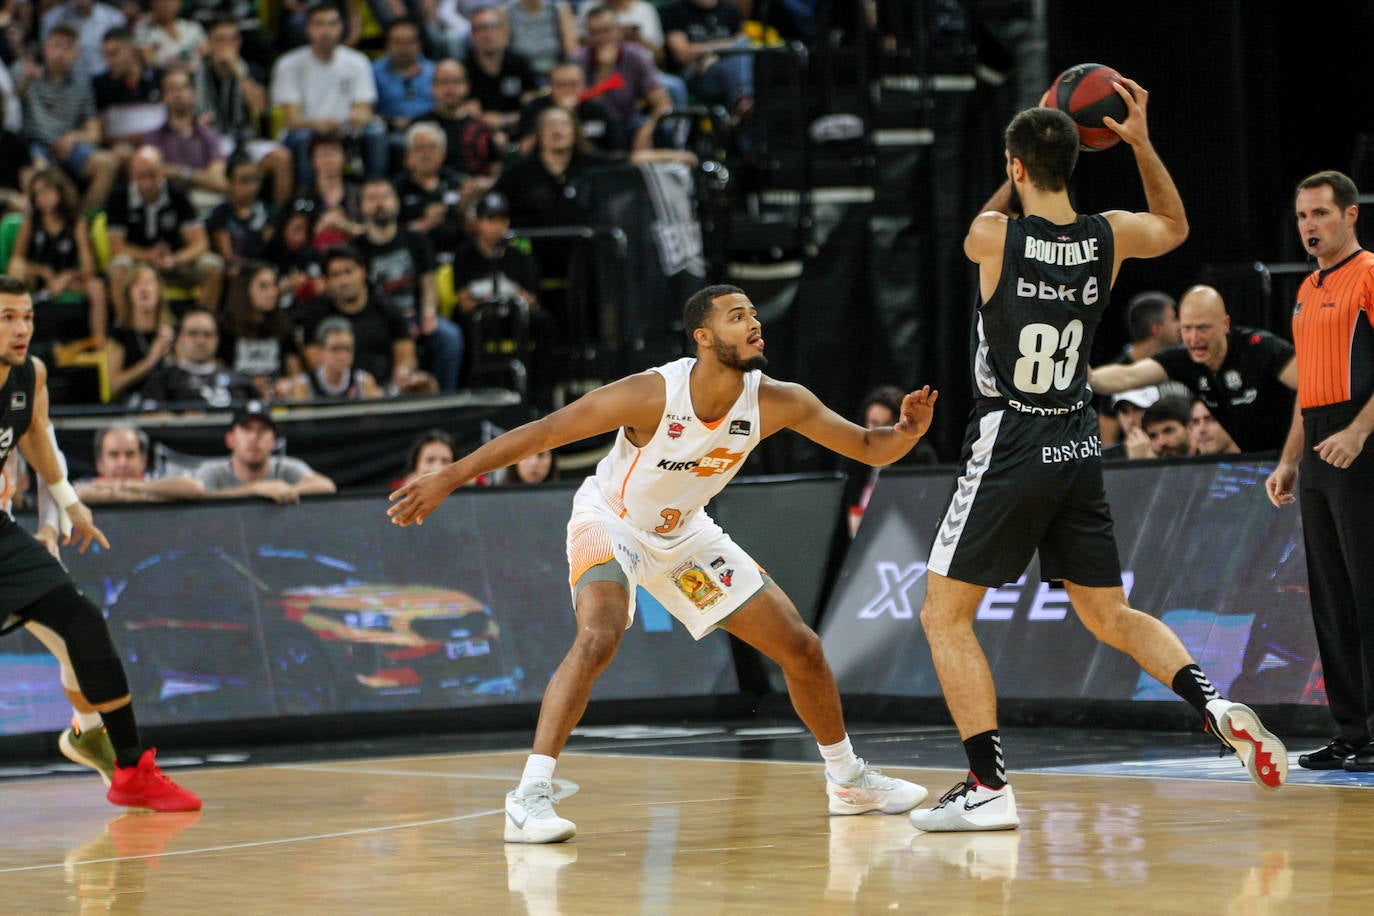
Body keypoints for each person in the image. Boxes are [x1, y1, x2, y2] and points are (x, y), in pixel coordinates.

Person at [389, 284, 938, 844]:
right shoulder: (652, 394)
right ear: (703, 338)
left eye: (753, 314)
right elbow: (543, 433)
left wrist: (906, 434)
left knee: (801, 647)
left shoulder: (778, 399)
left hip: (685, 537)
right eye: (736, 316)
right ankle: (529, 794)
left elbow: (870, 448)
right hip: (611, 520)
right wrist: (451, 476)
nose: (753, 324)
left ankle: (848, 780)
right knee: (599, 636)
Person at [908, 93, 1286, 834]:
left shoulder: (994, 238)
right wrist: (1141, 142)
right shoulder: (1107, 236)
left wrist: (1016, 173)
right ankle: (1211, 701)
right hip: (1078, 440)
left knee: (943, 615)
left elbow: (979, 228)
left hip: (1012, 438)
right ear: (1081, 160)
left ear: (1016, 167)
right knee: (1107, 610)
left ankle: (988, 785)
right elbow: (1175, 225)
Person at [0, 275, 201, 811]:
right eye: (7, 318)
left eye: (27, 317)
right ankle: (88, 732)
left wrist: (66, 505)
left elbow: (37, 435)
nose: (21, 329)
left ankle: (131, 768)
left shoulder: (29, 374)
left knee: (81, 622)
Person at [1266, 170, 1374, 773]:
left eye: (1321, 215)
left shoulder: (1370, 274)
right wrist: (1288, 459)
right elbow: (1308, 386)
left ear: (1350, 215)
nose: (1310, 226)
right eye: (1303, 216)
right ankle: (1352, 733)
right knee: (1331, 597)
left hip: (1363, 444)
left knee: (1367, 592)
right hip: (1319, 448)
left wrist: (1359, 432)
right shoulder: (1306, 289)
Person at [1088, 285, 1298, 453]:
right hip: (1254, 465)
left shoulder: (1259, 348)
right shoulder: (1183, 359)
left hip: (1300, 458)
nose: (1194, 339)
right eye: (1187, 329)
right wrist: (1088, 376)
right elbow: (1128, 376)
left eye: (1203, 328)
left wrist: (1290, 458)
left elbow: (1313, 386)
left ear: (1225, 324)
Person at [352, 177, 465, 391]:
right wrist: (399, 324)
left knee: (450, 337)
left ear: (396, 202)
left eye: (385, 196)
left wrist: (429, 312)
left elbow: (428, 283)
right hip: (378, 319)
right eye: (372, 198)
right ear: (361, 207)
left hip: (415, 314)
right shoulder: (357, 248)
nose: (379, 203)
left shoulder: (416, 240)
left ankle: (444, 397)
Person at [271, 1, 386, 186]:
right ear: (307, 28)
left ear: (341, 27)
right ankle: (307, 198)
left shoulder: (358, 61)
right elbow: (292, 120)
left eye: (332, 24)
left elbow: (364, 109)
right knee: (302, 138)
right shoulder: (288, 64)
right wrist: (319, 124)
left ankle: (373, 193)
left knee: (375, 132)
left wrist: (355, 118)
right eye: (319, 24)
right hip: (306, 132)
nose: (326, 31)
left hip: (345, 131)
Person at [105, 146, 225, 318]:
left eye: (152, 175)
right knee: (118, 267)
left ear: (162, 172)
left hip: (174, 263)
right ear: (131, 174)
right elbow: (117, 248)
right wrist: (148, 256)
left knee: (214, 266)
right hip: (138, 264)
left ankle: (200, 324)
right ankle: (127, 327)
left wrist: (175, 259)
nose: (147, 183)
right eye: (141, 176)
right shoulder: (118, 197)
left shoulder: (178, 195)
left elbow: (201, 244)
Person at [21, 23, 121, 212]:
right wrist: (24, 83)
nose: (61, 53)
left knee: (108, 163)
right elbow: (10, 107)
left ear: (77, 54)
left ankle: (84, 220)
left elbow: (95, 133)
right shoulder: (29, 76)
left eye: (68, 48)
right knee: (41, 174)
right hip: (37, 146)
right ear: (45, 49)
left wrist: (73, 138)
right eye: (56, 46)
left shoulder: (82, 87)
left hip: (69, 146)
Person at [8, 167, 108, 344]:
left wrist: (67, 276)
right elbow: (17, 260)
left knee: (96, 287)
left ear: (60, 190)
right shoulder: (30, 223)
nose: (42, 198)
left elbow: (88, 270)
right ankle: (12, 335)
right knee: (17, 268)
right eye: (37, 194)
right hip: (37, 279)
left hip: (69, 280)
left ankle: (98, 345)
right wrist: (41, 271)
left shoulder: (77, 223)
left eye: (47, 190)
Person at [842, 384, 938, 536]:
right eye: (873, 423)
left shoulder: (920, 457)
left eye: (887, 424)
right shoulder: (854, 460)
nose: (878, 431)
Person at [196, 402, 337, 502]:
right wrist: (255, 490)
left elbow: (326, 486)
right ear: (230, 439)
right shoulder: (212, 470)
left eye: (262, 430)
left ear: (273, 441)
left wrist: (286, 492)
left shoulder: (286, 468)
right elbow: (197, 496)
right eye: (247, 429)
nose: (254, 437)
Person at [134, 306, 258, 408]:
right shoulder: (162, 380)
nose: (200, 341)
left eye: (207, 334)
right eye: (193, 334)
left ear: (217, 339)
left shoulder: (239, 380)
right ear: (180, 337)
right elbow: (151, 420)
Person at [217, 262, 303, 399]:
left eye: (274, 285)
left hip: (276, 395)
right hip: (236, 396)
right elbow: (217, 372)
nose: (272, 292)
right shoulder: (226, 326)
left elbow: (295, 372)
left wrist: (289, 384)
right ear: (244, 289)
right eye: (263, 286)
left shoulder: (284, 324)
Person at [74, 423, 206, 503]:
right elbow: (76, 495)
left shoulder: (155, 482)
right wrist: (141, 495)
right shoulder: (86, 484)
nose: (123, 462)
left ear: (143, 461)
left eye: (130, 454)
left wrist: (129, 485)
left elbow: (196, 488)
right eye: (114, 455)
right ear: (100, 464)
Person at [464, 6, 541, 136]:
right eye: (481, 28)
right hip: (480, 135)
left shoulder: (520, 63)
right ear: (472, 35)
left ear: (504, 31)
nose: (487, 34)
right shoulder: (465, 68)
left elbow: (532, 107)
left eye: (492, 26)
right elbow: (472, 114)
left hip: (519, 130)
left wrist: (503, 120)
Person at [285, 315, 383, 400]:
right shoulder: (304, 385)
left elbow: (372, 420)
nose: (342, 356)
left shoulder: (363, 382)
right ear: (321, 351)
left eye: (347, 348)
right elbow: (302, 421)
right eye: (335, 349)